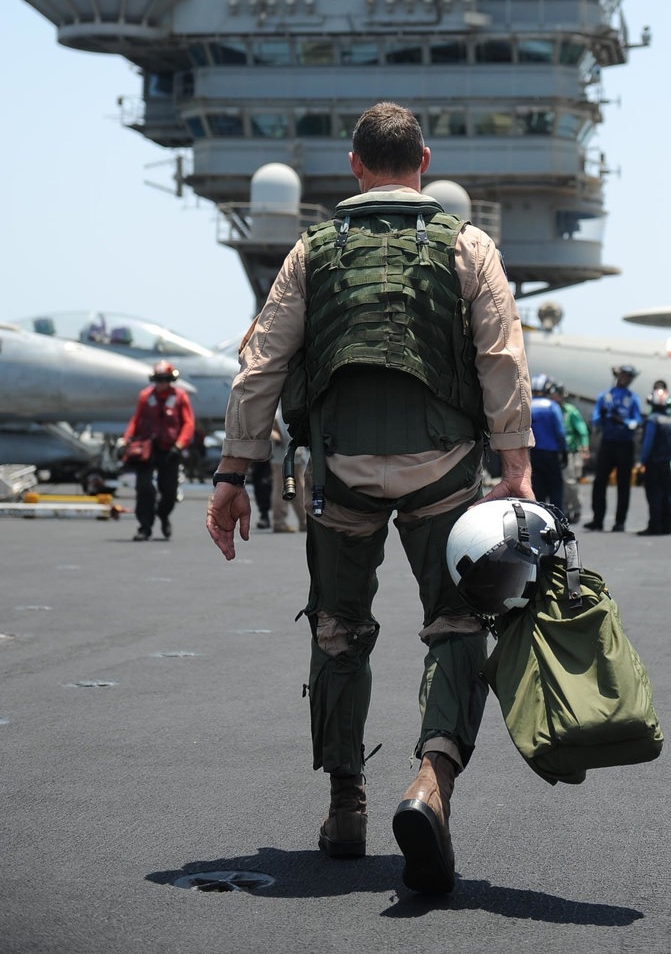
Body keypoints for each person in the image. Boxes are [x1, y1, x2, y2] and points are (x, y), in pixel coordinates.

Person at [205, 102, 534, 896]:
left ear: (354, 166)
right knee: (459, 623)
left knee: (339, 630)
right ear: (423, 160)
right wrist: (516, 468)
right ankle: (431, 781)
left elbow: (261, 366)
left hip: (342, 469)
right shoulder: (469, 243)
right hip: (443, 470)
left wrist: (231, 476)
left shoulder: (311, 251)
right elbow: (501, 357)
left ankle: (345, 803)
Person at [123, 360, 195, 542]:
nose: (162, 383)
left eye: (165, 379)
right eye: (158, 379)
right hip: (146, 449)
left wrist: (179, 444)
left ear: (171, 380)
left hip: (170, 450)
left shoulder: (180, 397)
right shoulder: (145, 396)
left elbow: (188, 423)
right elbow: (135, 420)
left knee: (169, 492)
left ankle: (163, 515)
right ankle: (144, 527)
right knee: (144, 488)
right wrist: (126, 439)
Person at [586, 365, 643, 532]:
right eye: (623, 375)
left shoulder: (633, 398)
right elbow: (596, 419)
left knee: (623, 483)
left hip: (625, 444)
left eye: (628, 376)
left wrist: (624, 422)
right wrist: (603, 416)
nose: (624, 378)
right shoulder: (605, 396)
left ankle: (620, 521)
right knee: (599, 481)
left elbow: (637, 421)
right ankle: (598, 519)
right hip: (608, 442)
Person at [636, 381, 671, 535]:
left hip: (654, 463)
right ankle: (669, 524)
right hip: (668, 462)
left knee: (654, 494)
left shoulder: (652, 420)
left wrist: (641, 461)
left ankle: (655, 525)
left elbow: (647, 444)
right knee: (668, 493)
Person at [529, 374, 566, 509]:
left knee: (537, 488)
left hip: (532, 453)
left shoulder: (527, 405)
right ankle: (558, 520)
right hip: (550, 453)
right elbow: (560, 432)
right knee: (555, 488)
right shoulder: (552, 406)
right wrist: (564, 450)